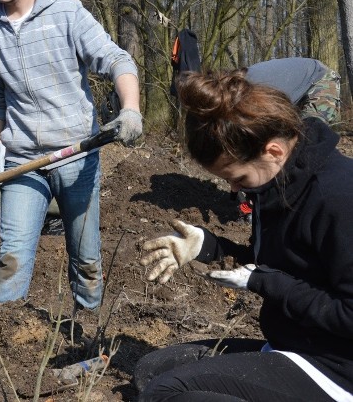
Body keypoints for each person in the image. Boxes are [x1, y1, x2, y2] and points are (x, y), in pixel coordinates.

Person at [136, 70, 353, 401]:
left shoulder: (338, 197)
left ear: (274, 151)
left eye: (237, 177)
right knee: (151, 370)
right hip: (292, 345)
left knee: (164, 392)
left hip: (335, 370)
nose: (233, 189)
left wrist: (268, 283)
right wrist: (207, 246)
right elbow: (277, 264)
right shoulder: (277, 184)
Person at [0, 0, 143, 309]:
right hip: (23, 159)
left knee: (86, 260)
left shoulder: (67, 14)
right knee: (11, 257)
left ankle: (87, 335)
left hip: (76, 154)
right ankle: (2, 337)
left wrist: (131, 109)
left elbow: (117, 60)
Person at [234, 57, 342, 223]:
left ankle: (306, 205)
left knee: (306, 144)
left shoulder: (248, 91)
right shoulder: (236, 90)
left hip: (320, 82)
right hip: (294, 94)